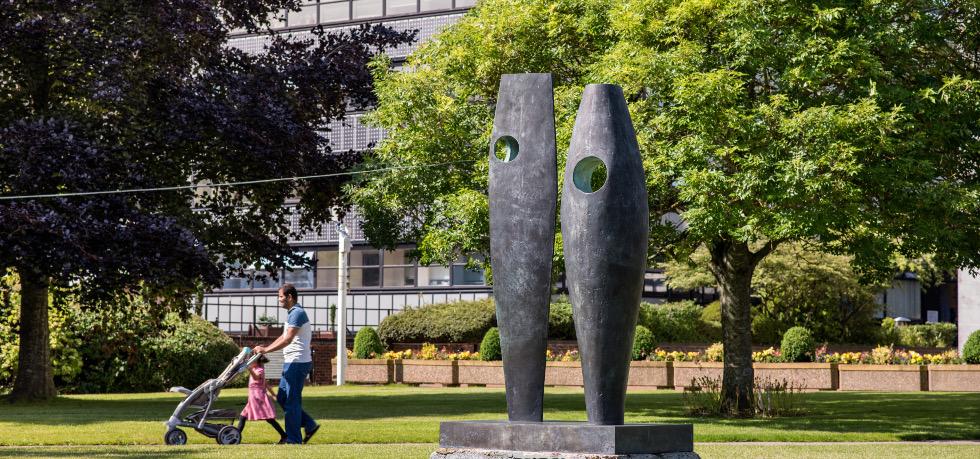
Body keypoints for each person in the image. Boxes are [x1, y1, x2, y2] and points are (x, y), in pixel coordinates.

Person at [253, 283, 320, 444]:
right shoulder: (292, 313)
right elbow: (284, 337)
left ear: (289, 297)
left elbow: (288, 339)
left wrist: (266, 350)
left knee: (291, 401)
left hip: (297, 362)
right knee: (282, 398)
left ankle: (293, 439)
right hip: (291, 362)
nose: (279, 299)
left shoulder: (297, 313)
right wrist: (266, 348)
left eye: (281, 296)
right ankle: (309, 425)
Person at [236, 354, 287, 444]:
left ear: (257, 362)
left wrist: (249, 369)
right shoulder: (255, 368)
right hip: (253, 399)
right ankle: (235, 436)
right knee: (242, 417)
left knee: (269, 419)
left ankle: (284, 436)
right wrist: (273, 394)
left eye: (252, 361)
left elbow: (256, 378)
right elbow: (265, 384)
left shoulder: (260, 369)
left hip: (259, 398)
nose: (250, 362)